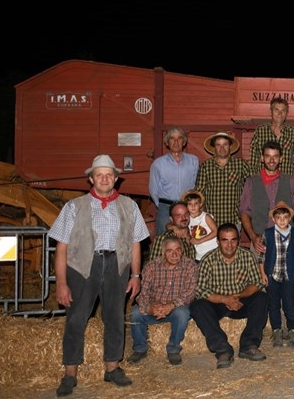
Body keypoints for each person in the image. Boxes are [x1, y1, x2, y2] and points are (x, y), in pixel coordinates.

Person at [50, 154, 150, 397]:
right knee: (76, 317)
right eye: (99, 175)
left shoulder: (129, 206)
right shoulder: (74, 206)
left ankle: (112, 368)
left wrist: (136, 275)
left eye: (108, 175)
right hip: (83, 265)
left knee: (115, 316)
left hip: (117, 265)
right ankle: (70, 373)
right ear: (91, 179)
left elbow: (136, 243)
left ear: (115, 179)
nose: (104, 179)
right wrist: (61, 282)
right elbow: (61, 248)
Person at [189, 223, 269, 369]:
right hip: (218, 302)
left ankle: (249, 345)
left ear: (238, 240)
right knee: (197, 306)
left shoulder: (247, 256)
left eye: (233, 240)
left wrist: (239, 295)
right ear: (218, 241)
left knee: (262, 298)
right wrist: (224, 299)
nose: (229, 245)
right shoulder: (208, 260)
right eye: (225, 240)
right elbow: (200, 290)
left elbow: (257, 283)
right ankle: (223, 350)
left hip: (241, 299)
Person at [128, 236, 198, 366]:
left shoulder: (190, 265)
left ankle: (173, 349)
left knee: (182, 313)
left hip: (175, 308)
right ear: (163, 252)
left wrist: (171, 305)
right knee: (135, 313)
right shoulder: (151, 266)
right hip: (154, 307)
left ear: (182, 251)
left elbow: (191, 292)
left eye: (178, 250)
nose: (175, 255)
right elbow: (142, 292)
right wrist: (150, 308)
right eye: (170, 251)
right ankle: (140, 348)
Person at [239, 140, 294, 259]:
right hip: (260, 242)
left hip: (287, 241)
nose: (271, 160)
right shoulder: (251, 182)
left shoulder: (291, 181)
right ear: (262, 158)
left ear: (281, 159)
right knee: (260, 271)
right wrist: (253, 237)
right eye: (268, 156)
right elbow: (244, 212)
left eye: (275, 156)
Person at [257, 201, 294, 347]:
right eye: (278, 218)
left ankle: (293, 330)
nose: (282, 220)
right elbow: (261, 256)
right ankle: (276, 330)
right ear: (273, 219)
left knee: (289, 304)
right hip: (273, 275)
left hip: (289, 275)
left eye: (285, 217)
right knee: (273, 304)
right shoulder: (268, 233)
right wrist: (263, 273)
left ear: (290, 218)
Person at [196, 131, 252, 227]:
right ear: (214, 147)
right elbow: (199, 192)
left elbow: (252, 189)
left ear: (230, 146)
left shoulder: (241, 165)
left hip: (234, 220)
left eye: (225, 144)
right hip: (211, 221)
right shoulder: (206, 166)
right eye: (218, 145)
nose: (222, 148)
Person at [149, 127, 199, 234]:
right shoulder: (158, 164)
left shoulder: (193, 161)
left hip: (186, 206)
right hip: (165, 208)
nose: (176, 142)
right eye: (172, 138)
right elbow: (153, 189)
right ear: (167, 142)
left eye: (179, 138)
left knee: (188, 236)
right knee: (164, 238)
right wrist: (161, 206)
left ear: (184, 142)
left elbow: (195, 184)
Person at [250, 97, 294, 176]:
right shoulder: (260, 131)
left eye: (283, 110)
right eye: (276, 110)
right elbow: (253, 160)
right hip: (264, 180)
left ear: (286, 113)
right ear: (271, 112)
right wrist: (254, 179)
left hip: (286, 180)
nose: (280, 113)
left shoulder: (292, 132)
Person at [182, 189, 218, 262]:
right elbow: (170, 225)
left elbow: (216, 231)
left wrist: (199, 241)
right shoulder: (187, 218)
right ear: (186, 206)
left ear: (200, 204)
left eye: (196, 203)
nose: (193, 206)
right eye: (190, 204)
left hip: (212, 250)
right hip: (199, 254)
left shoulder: (206, 216)